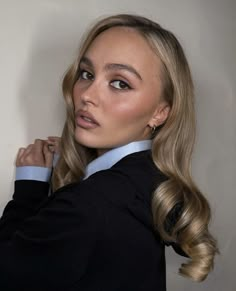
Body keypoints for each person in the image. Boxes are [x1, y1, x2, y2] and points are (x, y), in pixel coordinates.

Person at [0, 14, 218, 291]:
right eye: (86, 74)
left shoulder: (87, 205)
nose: (87, 94)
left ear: (161, 112)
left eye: (120, 83)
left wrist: (29, 191)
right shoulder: (155, 185)